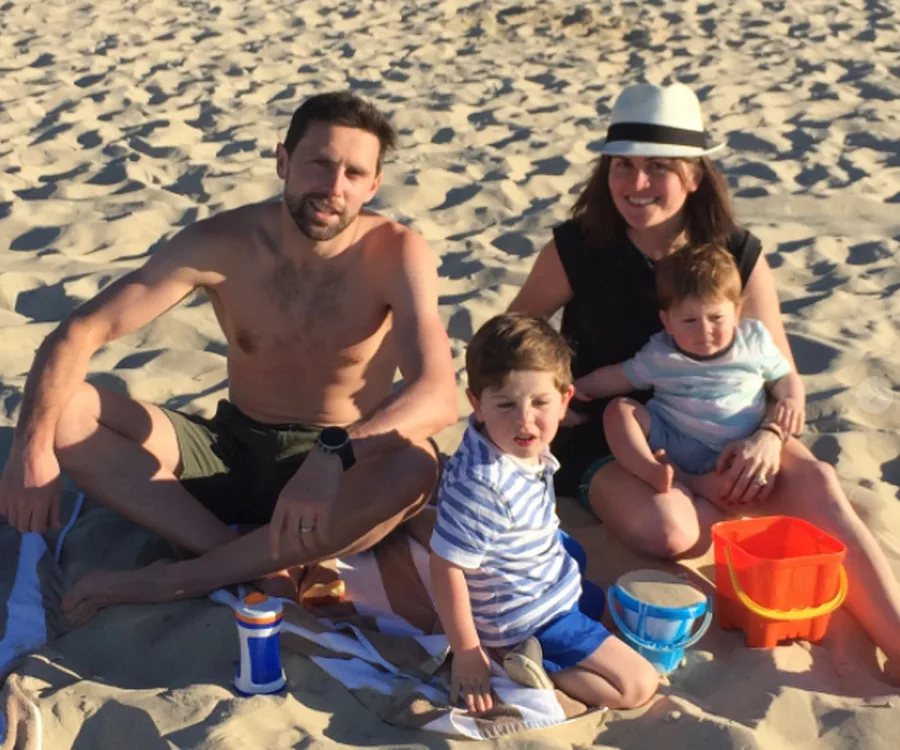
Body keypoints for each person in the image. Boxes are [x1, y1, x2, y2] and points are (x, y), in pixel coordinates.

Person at [0, 91, 458, 622]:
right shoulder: (223, 242)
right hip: (231, 448)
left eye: (355, 174)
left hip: (336, 474)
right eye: (320, 164)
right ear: (283, 160)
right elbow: (79, 331)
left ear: (373, 185)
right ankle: (251, 561)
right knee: (66, 412)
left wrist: (333, 454)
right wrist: (28, 452)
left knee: (417, 461)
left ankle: (185, 576)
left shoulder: (396, 252)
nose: (334, 188)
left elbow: (438, 395)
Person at [508, 82, 900, 683]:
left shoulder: (737, 253)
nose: (636, 185)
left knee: (816, 478)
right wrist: (556, 398)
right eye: (624, 167)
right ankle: (762, 533)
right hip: (613, 434)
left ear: (694, 175)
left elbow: (781, 371)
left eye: (658, 168)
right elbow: (512, 339)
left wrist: (770, 436)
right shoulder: (578, 248)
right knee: (669, 529)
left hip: (730, 425)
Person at [429, 313, 658, 715]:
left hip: (540, 579)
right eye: (505, 404)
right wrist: (467, 652)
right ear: (476, 404)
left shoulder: (505, 444)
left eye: (540, 402)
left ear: (565, 399)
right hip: (523, 617)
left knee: (590, 582)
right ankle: (518, 663)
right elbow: (445, 565)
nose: (524, 419)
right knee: (638, 685)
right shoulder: (484, 485)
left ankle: (548, 651)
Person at [576, 244, 804, 497]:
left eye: (716, 318)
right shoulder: (661, 353)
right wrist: (578, 388)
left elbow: (783, 376)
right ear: (667, 322)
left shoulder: (753, 342)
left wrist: (792, 398)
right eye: (689, 321)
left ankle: (696, 485)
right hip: (673, 440)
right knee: (618, 411)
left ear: (737, 312)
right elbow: (619, 376)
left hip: (736, 448)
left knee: (752, 483)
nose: (704, 331)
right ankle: (651, 470)